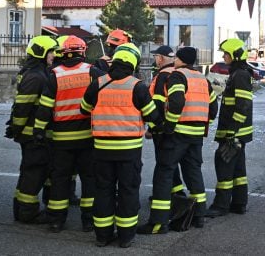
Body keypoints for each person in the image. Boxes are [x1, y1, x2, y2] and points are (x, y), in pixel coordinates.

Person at [80, 43, 161, 248]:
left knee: (103, 190)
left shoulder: (98, 83)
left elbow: (83, 109)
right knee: (128, 191)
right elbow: (153, 116)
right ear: (133, 62)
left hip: (102, 149)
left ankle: (102, 235)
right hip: (129, 151)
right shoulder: (137, 86)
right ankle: (125, 237)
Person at [138, 46, 218, 234]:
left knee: (164, 174)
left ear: (180, 59)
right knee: (193, 173)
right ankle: (198, 216)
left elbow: (177, 101)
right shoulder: (202, 79)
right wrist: (202, 125)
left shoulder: (177, 75)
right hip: (195, 135)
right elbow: (213, 107)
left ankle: (158, 223)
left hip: (177, 134)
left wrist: (169, 126)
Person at [34, 35, 105, 233]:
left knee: (60, 180)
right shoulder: (93, 71)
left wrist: (38, 130)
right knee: (90, 179)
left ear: (63, 53)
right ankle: (88, 221)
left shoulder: (53, 74)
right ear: (82, 52)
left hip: (61, 139)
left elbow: (45, 108)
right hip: (87, 137)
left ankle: (57, 220)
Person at [5, 35, 59, 224]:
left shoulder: (37, 72)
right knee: (34, 173)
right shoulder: (35, 76)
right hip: (32, 134)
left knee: (29, 171)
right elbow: (23, 106)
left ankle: (20, 209)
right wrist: (16, 128)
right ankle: (27, 212)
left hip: (32, 133)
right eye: (51, 51)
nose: (53, 55)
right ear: (41, 52)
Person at [206, 38, 254, 217]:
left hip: (234, 132)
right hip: (238, 132)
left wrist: (232, 132)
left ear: (235, 55)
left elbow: (243, 106)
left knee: (224, 164)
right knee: (238, 168)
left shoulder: (240, 75)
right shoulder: (238, 73)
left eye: (226, 53)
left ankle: (221, 205)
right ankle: (239, 203)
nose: (224, 56)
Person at [146, 45, 186, 198]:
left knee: (164, 163)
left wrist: (152, 128)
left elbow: (157, 104)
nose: (155, 59)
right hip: (177, 124)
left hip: (162, 127)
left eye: (156, 56)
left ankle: (166, 194)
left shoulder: (162, 75)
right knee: (171, 162)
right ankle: (176, 191)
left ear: (161, 58)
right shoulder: (177, 73)